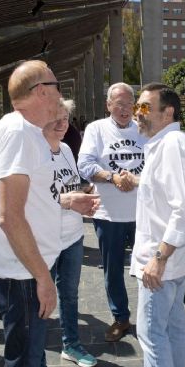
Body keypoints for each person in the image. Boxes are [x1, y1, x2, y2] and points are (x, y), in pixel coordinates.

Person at [0, 60, 98, 367]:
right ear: (41, 91)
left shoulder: (25, 132)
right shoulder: (19, 132)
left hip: (25, 271)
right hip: (22, 275)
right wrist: (43, 278)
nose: (61, 94)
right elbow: (10, 217)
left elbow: (32, 198)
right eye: (57, 85)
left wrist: (68, 201)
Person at [129, 83, 185, 367]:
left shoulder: (173, 145)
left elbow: (183, 208)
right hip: (170, 262)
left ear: (168, 112)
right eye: (138, 106)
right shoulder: (167, 143)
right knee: (173, 328)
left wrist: (159, 258)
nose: (138, 113)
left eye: (145, 107)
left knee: (152, 336)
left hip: (162, 261)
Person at [35, 99, 98, 367]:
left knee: (69, 296)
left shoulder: (68, 149)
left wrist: (85, 193)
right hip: (43, 239)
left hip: (72, 235)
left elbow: (69, 187)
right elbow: (31, 199)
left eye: (66, 119)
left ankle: (71, 345)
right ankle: (37, 364)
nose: (62, 124)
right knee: (41, 302)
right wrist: (69, 200)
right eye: (56, 118)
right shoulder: (33, 152)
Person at [77, 82, 147, 342]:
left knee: (147, 267)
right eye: (118, 103)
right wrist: (112, 177)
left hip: (143, 212)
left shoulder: (145, 127)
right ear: (108, 105)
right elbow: (84, 164)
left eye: (130, 103)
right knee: (113, 269)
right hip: (109, 214)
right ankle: (121, 318)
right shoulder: (96, 129)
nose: (124, 108)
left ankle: (149, 318)